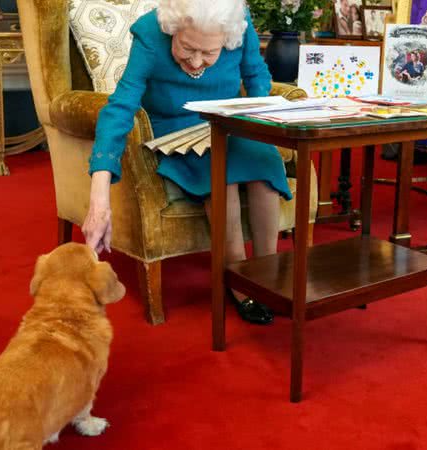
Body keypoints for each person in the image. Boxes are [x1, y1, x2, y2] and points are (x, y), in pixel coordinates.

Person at [82, 0, 291, 325]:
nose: (196, 62)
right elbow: (120, 106)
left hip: (228, 122)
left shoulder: (240, 22)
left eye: (209, 53)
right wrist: (99, 194)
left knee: (264, 163)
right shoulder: (151, 32)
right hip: (174, 128)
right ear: (173, 28)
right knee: (223, 175)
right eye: (187, 48)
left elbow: (255, 74)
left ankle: (268, 272)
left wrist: (257, 119)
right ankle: (237, 280)